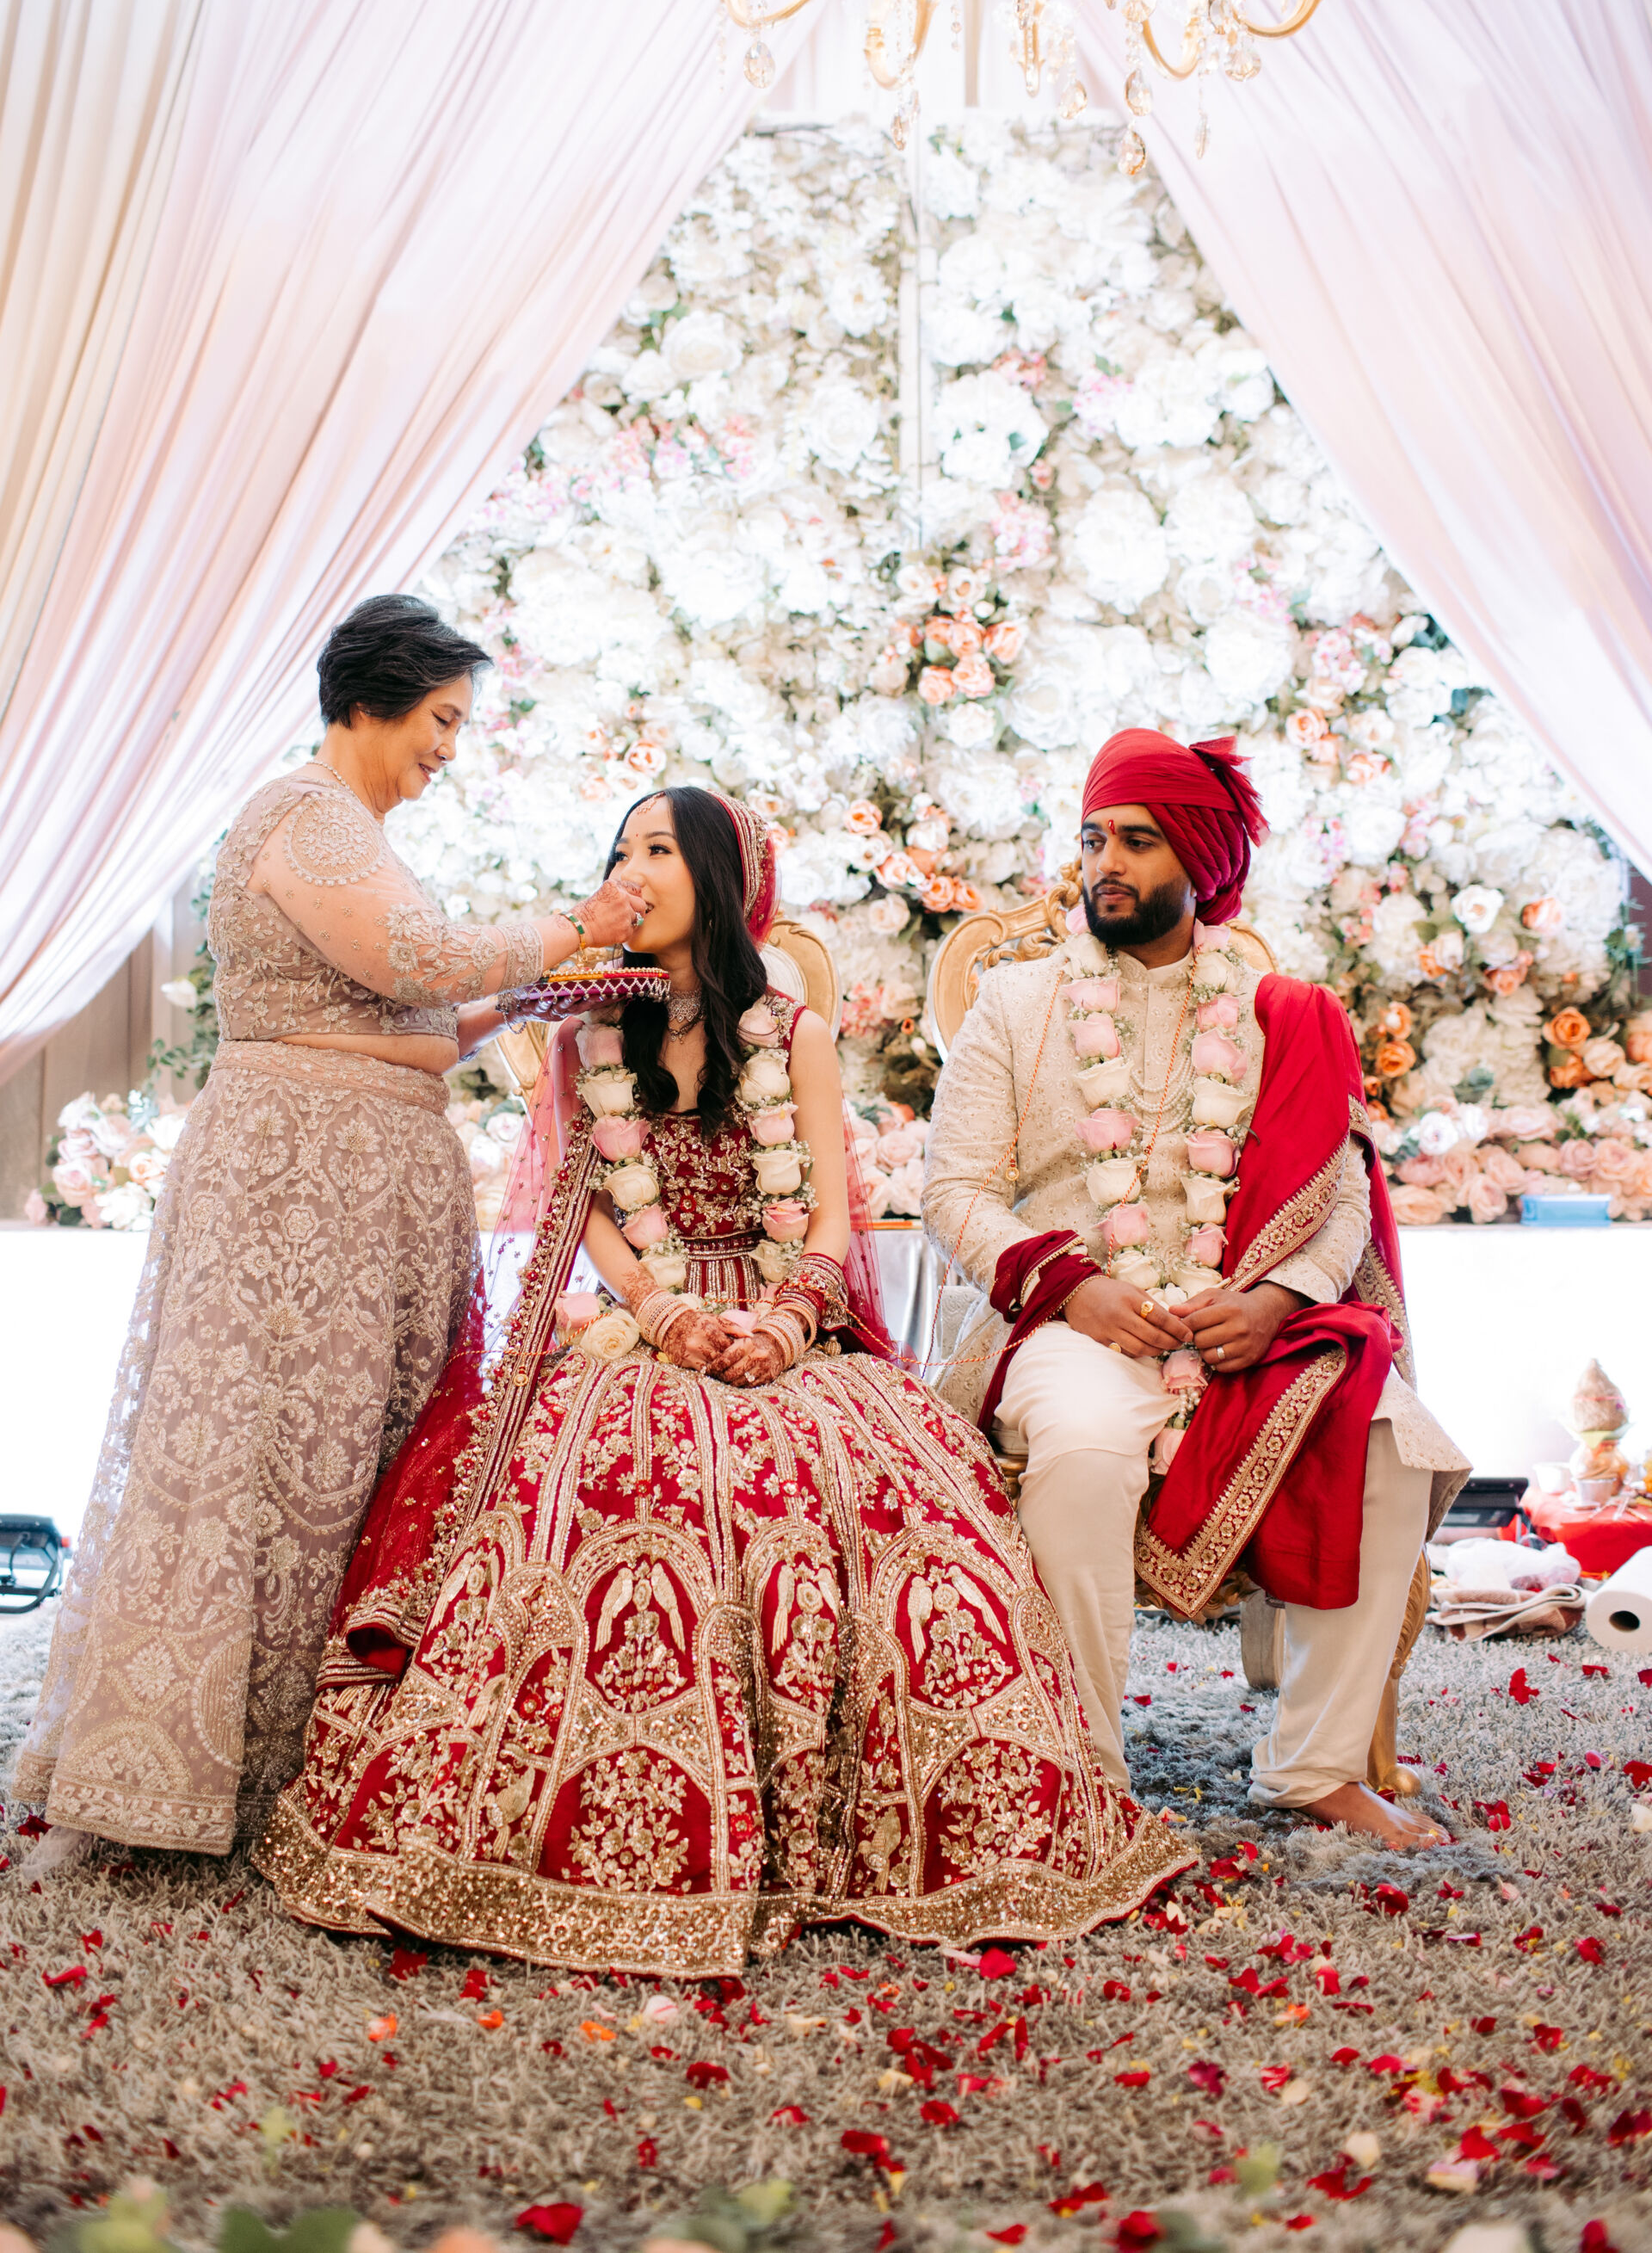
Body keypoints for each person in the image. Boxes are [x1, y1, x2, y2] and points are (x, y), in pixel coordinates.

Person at [253, 786, 1193, 1971]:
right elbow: (590, 1210)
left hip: (786, 1321)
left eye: (657, 850)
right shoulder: (586, 1034)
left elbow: (833, 1217)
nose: (630, 873)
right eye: (619, 851)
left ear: (717, 876)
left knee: (882, 1513)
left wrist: (790, 1325)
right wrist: (660, 1312)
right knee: (613, 1493)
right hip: (642, 1325)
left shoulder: (794, 1034)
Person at [15, 595, 644, 1868]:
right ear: (374, 696)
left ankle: (302, 1766)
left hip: (371, 1183)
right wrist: (578, 924)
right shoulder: (302, 814)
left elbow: (412, 1018)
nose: (450, 748)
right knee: (242, 1454)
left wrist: (525, 999)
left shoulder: (359, 836)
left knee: (357, 1465)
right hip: (293, 1182)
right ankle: (146, 1774)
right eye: (441, 719)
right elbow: (415, 958)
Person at [923, 727, 1469, 1852]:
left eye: (1137, 841)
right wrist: (1070, 1285)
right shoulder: (1018, 1006)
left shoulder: (1281, 1014)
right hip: (1073, 1319)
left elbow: (1340, 1198)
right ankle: (1085, 1769)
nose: (1105, 864)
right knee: (1083, 1448)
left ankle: (1315, 1766)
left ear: (1201, 861)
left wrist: (1277, 1301)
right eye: (1093, 840)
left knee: (1393, 1441)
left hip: (1243, 1318)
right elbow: (956, 1191)